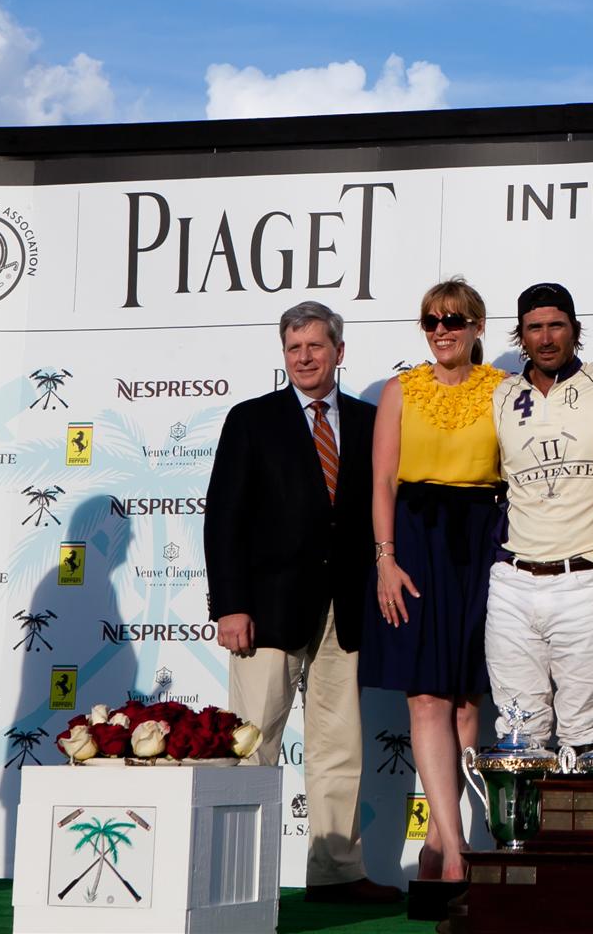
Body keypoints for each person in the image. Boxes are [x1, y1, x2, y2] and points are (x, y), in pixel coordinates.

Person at [204, 301, 399, 904]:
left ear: (339, 351)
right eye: (294, 348)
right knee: (251, 744)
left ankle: (337, 873)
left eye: (316, 346)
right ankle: (236, 875)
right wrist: (229, 605)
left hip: (347, 609)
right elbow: (224, 518)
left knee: (339, 746)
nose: (305, 358)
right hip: (266, 611)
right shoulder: (250, 420)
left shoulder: (370, 422)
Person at [361, 279, 507, 884]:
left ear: (477, 326)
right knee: (426, 697)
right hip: (415, 542)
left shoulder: (504, 390)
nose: (442, 331)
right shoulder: (400, 390)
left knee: (469, 702)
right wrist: (385, 559)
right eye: (431, 321)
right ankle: (454, 853)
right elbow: (382, 481)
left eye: (453, 320)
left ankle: (437, 841)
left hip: (482, 540)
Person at [486, 282, 593, 750]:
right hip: (512, 582)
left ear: (575, 330)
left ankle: (580, 803)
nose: (546, 338)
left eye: (556, 326)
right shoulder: (500, 395)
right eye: (535, 328)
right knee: (518, 733)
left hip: (584, 580)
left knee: (584, 731)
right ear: (521, 335)